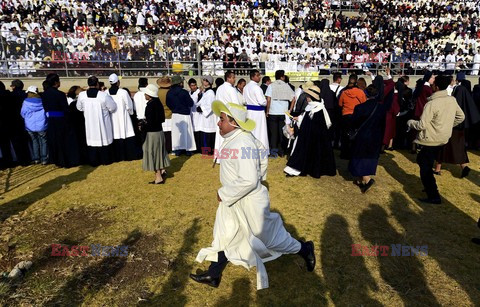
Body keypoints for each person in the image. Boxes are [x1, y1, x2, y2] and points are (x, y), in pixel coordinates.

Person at [191, 101, 315, 290]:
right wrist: (259, 176)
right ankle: (213, 274)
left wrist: (223, 192)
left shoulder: (242, 142)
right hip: (234, 200)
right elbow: (262, 155)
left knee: (269, 238)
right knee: (226, 233)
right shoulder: (240, 137)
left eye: (221, 119)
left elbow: (249, 180)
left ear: (234, 123)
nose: (218, 123)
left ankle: (305, 249)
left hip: (248, 201)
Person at [407, 75, 465, 204]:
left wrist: (410, 122)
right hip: (443, 138)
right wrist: (447, 125)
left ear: (436, 87)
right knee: (423, 161)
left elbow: (421, 125)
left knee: (424, 165)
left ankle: (433, 194)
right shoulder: (451, 100)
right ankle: (429, 187)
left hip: (431, 139)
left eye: (433, 84)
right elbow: (461, 117)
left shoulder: (432, 104)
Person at [284, 85, 336, 178]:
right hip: (310, 135)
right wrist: (299, 118)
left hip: (313, 137)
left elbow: (314, 124)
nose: (306, 97)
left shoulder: (317, 108)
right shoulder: (311, 107)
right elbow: (306, 118)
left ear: (312, 97)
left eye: (308, 96)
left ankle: (301, 169)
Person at [435, 74, 480, 177]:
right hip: (461, 127)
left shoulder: (456, 96)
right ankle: (464, 166)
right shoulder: (464, 94)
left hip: (452, 126)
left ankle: (438, 168)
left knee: (443, 148)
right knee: (459, 148)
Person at [349, 84, 387, 193]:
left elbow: (354, 123)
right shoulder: (381, 108)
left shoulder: (359, 108)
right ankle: (361, 179)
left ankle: (366, 179)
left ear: (365, 94)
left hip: (362, 136)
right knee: (370, 157)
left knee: (359, 157)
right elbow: (383, 124)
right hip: (376, 136)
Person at [77, 76, 117, 166]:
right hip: (103, 123)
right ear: (97, 84)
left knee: (92, 141)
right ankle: (106, 160)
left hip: (90, 123)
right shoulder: (103, 95)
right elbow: (113, 108)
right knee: (104, 139)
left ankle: (94, 161)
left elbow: (79, 108)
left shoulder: (82, 95)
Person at [42, 73, 79, 167]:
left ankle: (57, 160)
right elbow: (65, 109)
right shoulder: (60, 94)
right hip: (61, 120)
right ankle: (65, 161)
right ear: (55, 82)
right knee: (63, 141)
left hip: (51, 119)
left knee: (54, 141)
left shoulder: (44, 94)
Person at [141, 84, 170, 184]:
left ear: (149, 95)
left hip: (152, 133)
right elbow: (161, 119)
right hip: (159, 132)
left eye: (146, 93)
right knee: (159, 152)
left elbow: (150, 122)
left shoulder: (150, 106)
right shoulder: (159, 103)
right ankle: (162, 169)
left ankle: (158, 177)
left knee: (153, 153)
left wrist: (143, 125)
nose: (144, 94)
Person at [265, 69, 296, 157]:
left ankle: (273, 151)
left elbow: (268, 99)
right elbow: (293, 99)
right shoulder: (287, 86)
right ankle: (282, 151)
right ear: (282, 76)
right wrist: (290, 110)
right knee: (282, 132)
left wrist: (267, 111)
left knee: (273, 133)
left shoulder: (271, 86)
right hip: (283, 112)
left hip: (273, 112)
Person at [107, 73, 137, 161]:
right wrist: (130, 113)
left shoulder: (106, 93)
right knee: (126, 135)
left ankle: (117, 157)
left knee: (115, 135)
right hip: (123, 117)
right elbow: (129, 105)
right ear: (118, 82)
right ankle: (129, 156)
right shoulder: (123, 92)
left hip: (112, 118)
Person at [338, 74, 367, 159]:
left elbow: (340, 104)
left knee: (344, 135)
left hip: (345, 115)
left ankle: (344, 153)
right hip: (356, 115)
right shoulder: (360, 92)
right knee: (355, 135)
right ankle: (354, 152)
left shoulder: (344, 92)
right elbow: (364, 103)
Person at [166, 75, 196, 156]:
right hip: (185, 114)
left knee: (176, 133)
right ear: (180, 83)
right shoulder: (184, 92)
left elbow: (168, 103)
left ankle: (177, 149)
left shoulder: (169, 92)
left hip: (175, 114)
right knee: (187, 132)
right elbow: (190, 103)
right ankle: (188, 149)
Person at [20, 86, 48, 165]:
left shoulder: (25, 102)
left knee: (34, 141)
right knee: (43, 142)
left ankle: (36, 159)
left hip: (30, 125)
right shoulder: (42, 101)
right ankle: (44, 159)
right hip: (42, 125)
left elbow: (23, 113)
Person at [243, 69, 269, 150]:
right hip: (258, 112)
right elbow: (262, 102)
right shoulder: (257, 88)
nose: (260, 77)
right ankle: (261, 149)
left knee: (250, 131)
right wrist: (266, 101)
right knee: (260, 131)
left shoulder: (246, 87)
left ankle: (250, 147)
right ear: (253, 77)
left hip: (249, 112)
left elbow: (244, 101)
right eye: (258, 75)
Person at [196, 76, 217, 154]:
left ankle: (208, 151)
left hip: (208, 117)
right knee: (205, 132)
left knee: (208, 133)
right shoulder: (206, 92)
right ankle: (205, 150)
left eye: (205, 81)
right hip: (204, 117)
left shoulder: (210, 93)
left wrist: (202, 109)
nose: (203, 82)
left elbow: (210, 105)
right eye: (203, 80)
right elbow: (201, 102)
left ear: (209, 82)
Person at [188, 78, 203, 153]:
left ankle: (198, 148)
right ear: (189, 86)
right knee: (192, 131)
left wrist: (200, 93)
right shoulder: (189, 93)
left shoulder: (199, 92)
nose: (193, 87)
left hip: (197, 114)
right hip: (191, 114)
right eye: (192, 86)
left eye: (195, 85)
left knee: (197, 132)